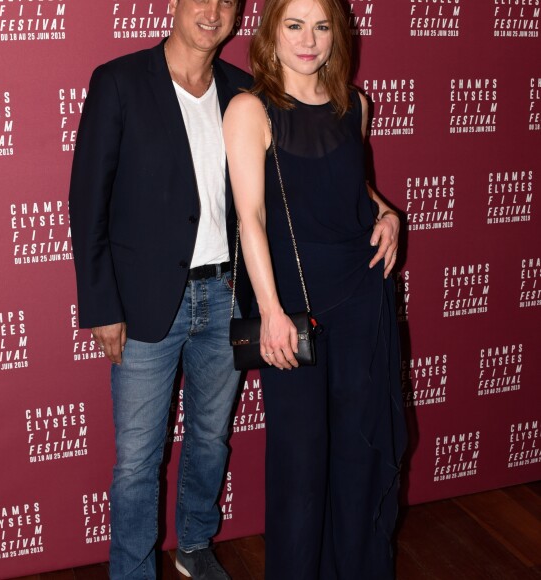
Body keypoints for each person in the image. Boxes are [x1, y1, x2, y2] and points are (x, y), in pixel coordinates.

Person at [223, 0, 407, 577]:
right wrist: (272, 311)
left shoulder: (357, 105)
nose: (310, 41)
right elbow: (250, 217)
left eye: (322, 26)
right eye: (295, 26)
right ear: (272, 34)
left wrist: (387, 214)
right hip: (294, 315)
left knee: (357, 456)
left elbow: (353, 185)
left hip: (361, 302)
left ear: (338, 33)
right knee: (300, 470)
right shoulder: (250, 110)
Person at [68, 0, 252, 577]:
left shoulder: (245, 92)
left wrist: (376, 206)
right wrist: (102, 305)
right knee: (136, 462)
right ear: (172, 4)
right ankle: (131, 570)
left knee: (210, 439)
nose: (213, 9)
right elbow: (86, 202)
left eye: (228, 0)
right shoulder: (118, 82)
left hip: (226, 297)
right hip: (146, 304)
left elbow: (293, 175)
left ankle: (195, 546)